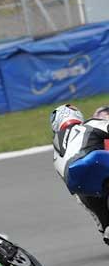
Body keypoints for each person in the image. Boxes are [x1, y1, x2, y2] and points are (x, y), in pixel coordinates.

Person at [51, 104, 109, 244]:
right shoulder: (89, 124)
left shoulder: (55, 151)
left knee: (84, 195)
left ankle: (105, 227)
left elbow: (68, 183)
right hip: (93, 160)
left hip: (77, 181)